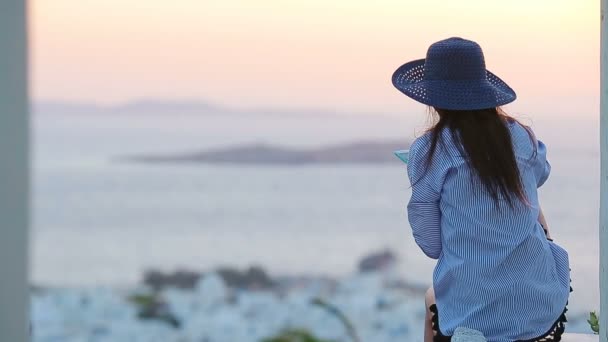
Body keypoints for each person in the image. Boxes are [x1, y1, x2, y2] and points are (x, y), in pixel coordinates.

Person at [391, 37, 571, 341]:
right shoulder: (520, 136)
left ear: (433, 99)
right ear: (484, 90)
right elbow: (541, 174)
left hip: (471, 320)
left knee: (432, 299)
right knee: (530, 204)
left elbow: (432, 245)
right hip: (539, 314)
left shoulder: (429, 150)